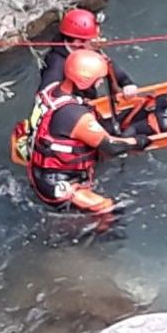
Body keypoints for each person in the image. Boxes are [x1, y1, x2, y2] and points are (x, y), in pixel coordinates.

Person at [22, 49, 151, 215]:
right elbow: (112, 146)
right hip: (57, 184)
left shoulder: (51, 91)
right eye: (97, 81)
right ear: (84, 81)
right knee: (108, 209)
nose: (98, 85)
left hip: (39, 171)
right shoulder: (75, 116)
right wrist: (138, 142)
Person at [37, 8, 138, 99]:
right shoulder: (57, 62)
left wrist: (126, 83)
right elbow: (48, 93)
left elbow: (107, 65)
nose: (97, 41)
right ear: (77, 42)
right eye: (92, 39)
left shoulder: (88, 47)